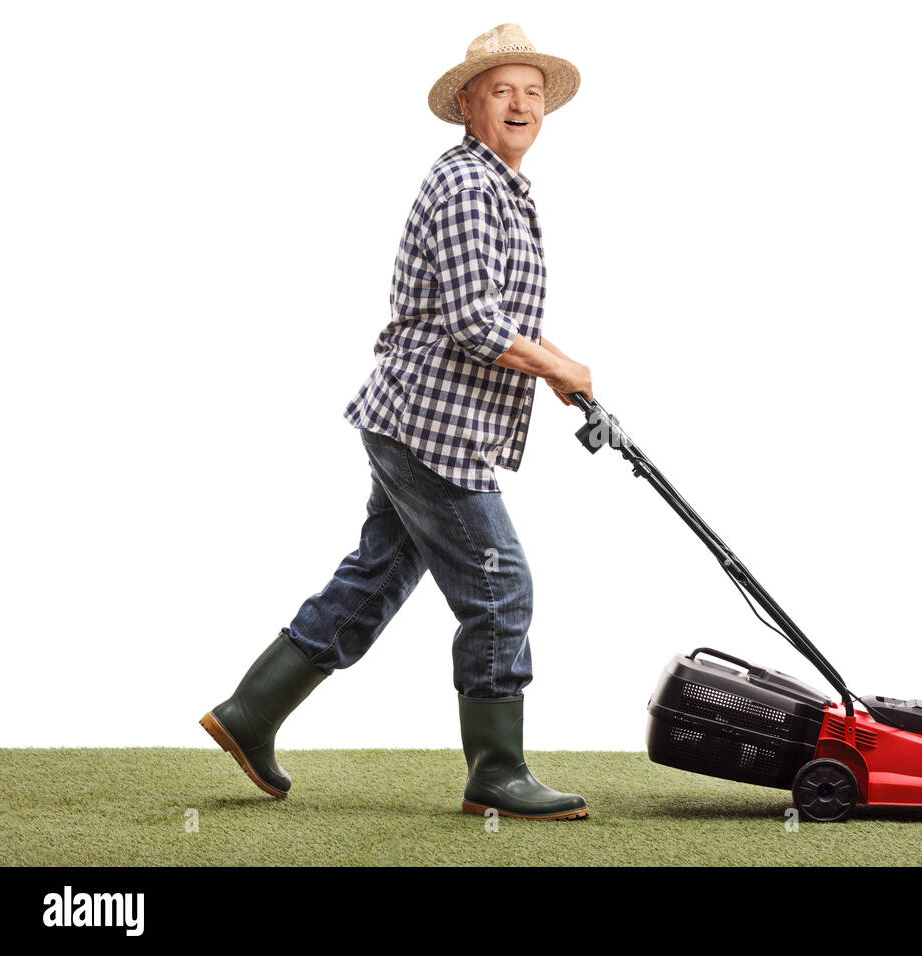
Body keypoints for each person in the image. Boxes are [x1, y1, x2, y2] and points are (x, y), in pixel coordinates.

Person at [199, 24, 593, 821]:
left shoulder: (499, 185)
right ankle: (497, 770)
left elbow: (495, 313)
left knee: (375, 577)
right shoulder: (467, 187)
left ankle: (250, 713)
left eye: (533, 92)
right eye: (501, 90)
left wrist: (561, 370)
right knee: (499, 587)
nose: (521, 104)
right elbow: (476, 324)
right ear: (467, 105)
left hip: (428, 419)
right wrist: (558, 366)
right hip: (428, 424)